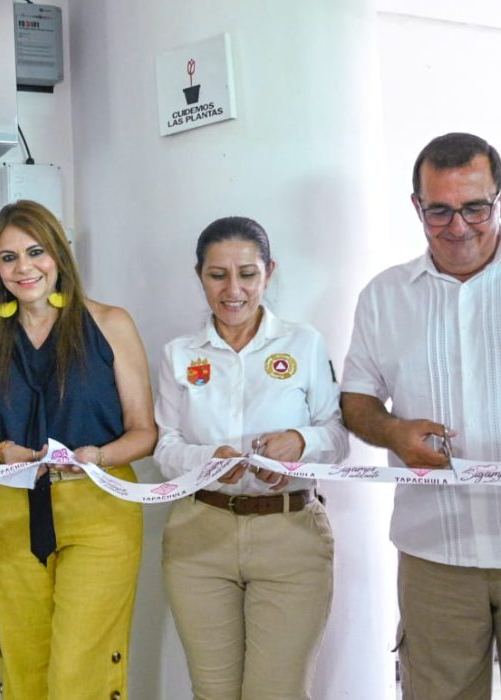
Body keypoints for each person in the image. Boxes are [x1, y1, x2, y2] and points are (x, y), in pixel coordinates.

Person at [341, 132, 501, 699]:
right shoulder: (384, 296)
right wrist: (391, 431)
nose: (458, 227)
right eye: (439, 211)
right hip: (435, 554)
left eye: (475, 207)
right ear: (417, 206)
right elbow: (355, 400)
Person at [0, 199, 156, 699]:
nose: (23, 268)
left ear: (59, 255)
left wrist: (97, 457)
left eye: (36, 252)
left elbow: (144, 432)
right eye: (8, 258)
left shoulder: (110, 323)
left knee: (79, 672)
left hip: (100, 507)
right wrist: (0, 453)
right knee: (23, 665)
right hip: (13, 510)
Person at [154, 216, 348, 699]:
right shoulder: (179, 354)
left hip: (290, 535)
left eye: (247, 274)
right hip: (200, 535)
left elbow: (337, 436)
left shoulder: (303, 343)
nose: (233, 290)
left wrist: (300, 441)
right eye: (217, 275)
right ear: (199, 275)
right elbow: (165, 448)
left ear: (269, 272)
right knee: (212, 692)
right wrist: (209, 459)